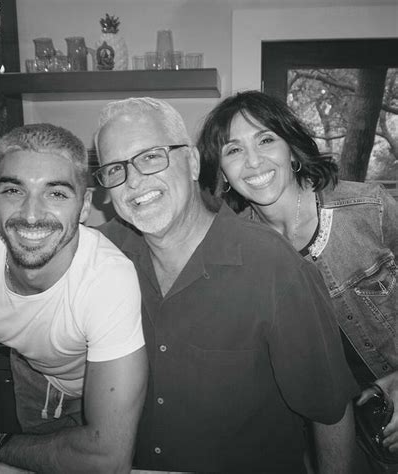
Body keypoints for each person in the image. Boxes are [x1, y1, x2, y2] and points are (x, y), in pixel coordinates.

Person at [94, 97, 359, 473]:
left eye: (151, 156)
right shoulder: (102, 255)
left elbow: (330, 410)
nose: (133, 180)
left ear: (192, 162)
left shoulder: (274, 267)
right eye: (115, 169)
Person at [197, 90, 398, 472]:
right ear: (221, 170)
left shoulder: (367, 209)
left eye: (266, 139)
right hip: (331, 437)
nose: (253, 161)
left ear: (292, 148)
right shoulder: (238, 252)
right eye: (234, 150)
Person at [0, 123, 148, 474]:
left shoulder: (107, 278)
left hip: (109, 379)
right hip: (35, 371)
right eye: (14, 190)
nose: (31, 215)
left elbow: (108, 460)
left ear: (84, 206)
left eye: (57, 194)